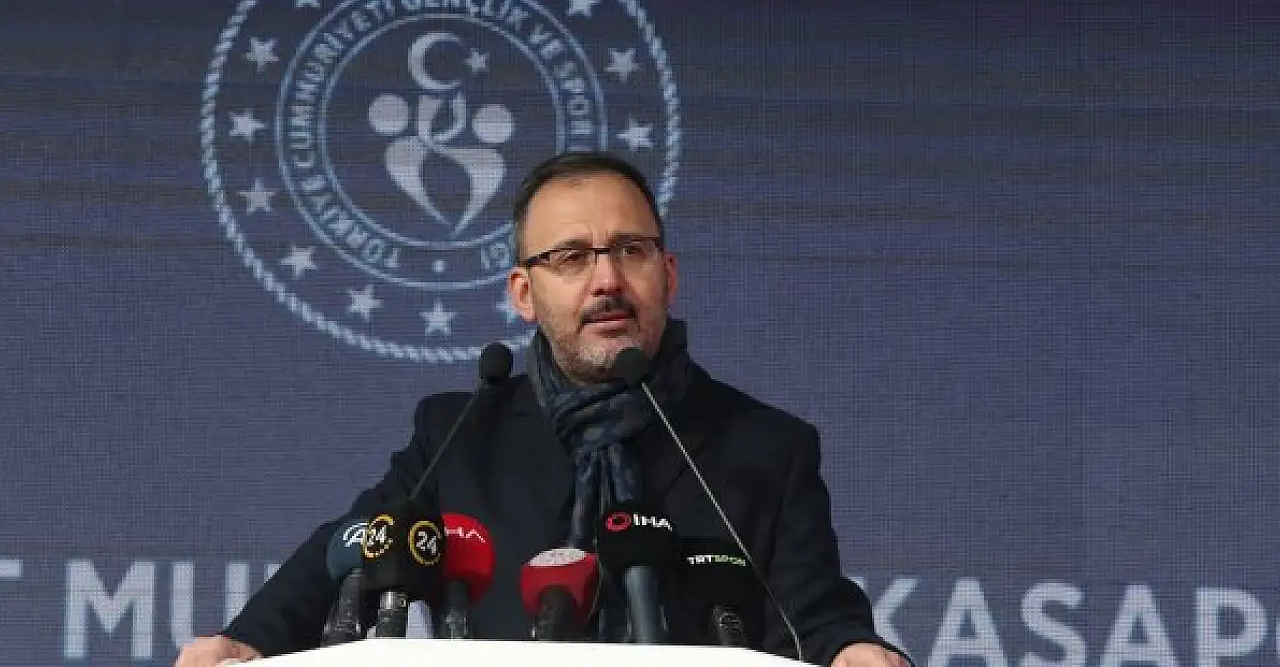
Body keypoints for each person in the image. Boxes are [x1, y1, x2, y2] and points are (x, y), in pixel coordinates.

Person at [176, 152, 912, 667]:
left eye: (631, 250)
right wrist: (250, 641)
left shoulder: (766, 448)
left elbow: (816, 613)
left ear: (668, 274)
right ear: (524, 294)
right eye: (571, 257)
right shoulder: (460, 436)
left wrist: (851, 648)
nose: (606, 279)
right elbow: (357, 547)